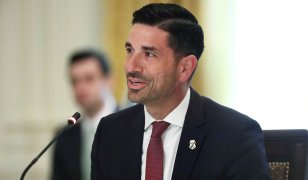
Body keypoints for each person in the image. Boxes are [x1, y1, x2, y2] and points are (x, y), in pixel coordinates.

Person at [91, 3, 271, 180]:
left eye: (149, 54)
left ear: (185, 68)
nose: (131, 66)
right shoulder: (110, 132)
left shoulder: (234, 134)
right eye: (130, 50)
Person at [52, 49, 118, 180]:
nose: (80, 87)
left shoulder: (133, 124)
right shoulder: (64, 135)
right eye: (74, 81)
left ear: (109, 80)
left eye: (89, 79)